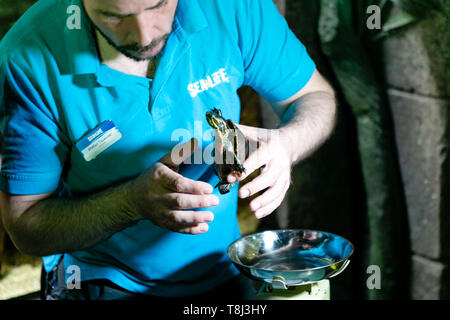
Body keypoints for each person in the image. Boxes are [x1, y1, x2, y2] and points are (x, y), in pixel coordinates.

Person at [0, 0, 336, 300]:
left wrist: (288, 142)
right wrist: (131, 203)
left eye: (158, 5)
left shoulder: (234, 7)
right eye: (113, 15)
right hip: (100, 278)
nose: (143, 35)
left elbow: (314, 97)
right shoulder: (27, 55)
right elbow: (25, 225)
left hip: (224, 265)